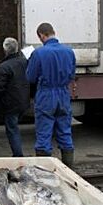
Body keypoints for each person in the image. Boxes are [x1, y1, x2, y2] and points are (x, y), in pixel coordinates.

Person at [26, 23, 76, 167]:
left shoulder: (39, 53)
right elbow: (72, 74)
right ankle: (69, 168)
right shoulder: (69, 51)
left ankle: (44, 169)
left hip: (46, 95)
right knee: (65, 132)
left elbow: (30, 77)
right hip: (63, 94)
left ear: (42, 35)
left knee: (44, 133)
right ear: (53, 32)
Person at [0, 37, 30, 157]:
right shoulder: (24, 62)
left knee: (12, 129)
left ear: (5, 50)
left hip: (11, 103)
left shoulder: (4, 66)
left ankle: (18, 155)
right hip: (24, 100)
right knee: (15, 126)